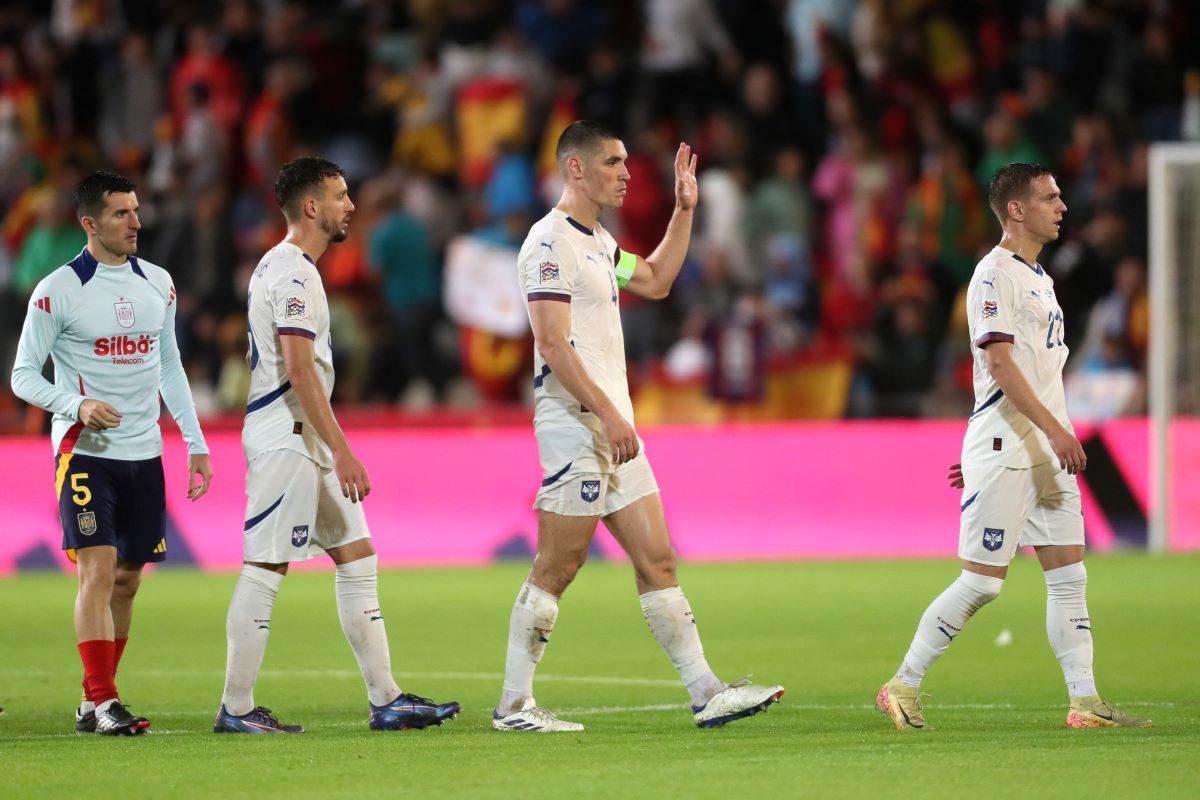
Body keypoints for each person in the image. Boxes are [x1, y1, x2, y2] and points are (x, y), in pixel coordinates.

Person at [493, 120, 784, 733]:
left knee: (659, 559)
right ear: (577, 169)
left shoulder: (597, 242)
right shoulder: (549, 244)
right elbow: (550, 341)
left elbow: (655, 279)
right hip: (577, 424)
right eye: (614, 163)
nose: (627, 173)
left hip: (611, 425)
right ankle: (514, 706)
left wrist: (683, 212)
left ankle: (706, 692)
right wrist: (605, 411)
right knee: (557, 567)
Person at [874, 163, 1151, 731]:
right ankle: (902, 684)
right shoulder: (992, 275)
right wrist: (1038, 435)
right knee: (981, 583)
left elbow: (1029, 368)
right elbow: (997, 363)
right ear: (1017, 210)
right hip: (1017, 441)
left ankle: (1085, 701)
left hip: (1038, 448)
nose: (1063, 206)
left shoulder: (1040, 278)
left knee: (1070, 576)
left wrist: (1039, 439)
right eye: (1051, 197)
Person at [214, 157, 460, 734]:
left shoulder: (286, 267)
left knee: (356, 554)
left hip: (304, 436)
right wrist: (343, 450)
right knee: (266, 566)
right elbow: (299, 370)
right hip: (288, 436)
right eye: (342, 196)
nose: (351, 205)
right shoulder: (294, 273)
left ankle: (387, 699)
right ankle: (237, 707)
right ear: (311, 207)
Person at [11, 170, 213, 736]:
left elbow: (168, 365)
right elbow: (23, 375)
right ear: (90, 223)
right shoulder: (56, 291)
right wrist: (75, 406)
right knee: (97, 570)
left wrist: (194, 443)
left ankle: (90, 700)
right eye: (122, 213)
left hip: (143, 452)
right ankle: (104, 701)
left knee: (128, 579)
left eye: (136, 210)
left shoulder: (159, 284)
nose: (136, 222)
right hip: (84, 453)